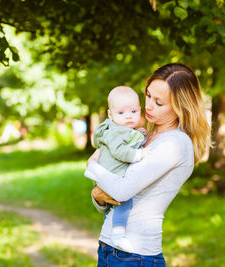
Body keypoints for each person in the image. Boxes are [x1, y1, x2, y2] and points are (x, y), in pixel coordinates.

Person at [85, 63, 211, 266]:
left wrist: (92, 167)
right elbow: (110, 197)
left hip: (135, 256)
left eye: (159, 102)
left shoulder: (175, 144)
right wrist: (97, 197)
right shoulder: (141, 137)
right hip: (108, 248)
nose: (149, 106)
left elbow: (122, 190)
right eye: (148, 95)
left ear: (180, 107)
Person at [85, 86, 150, 252]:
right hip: (113, 174)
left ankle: (116, 232)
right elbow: (119, 151)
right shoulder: (115, 132)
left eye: (133, 111)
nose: (128, 116)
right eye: (121, 113)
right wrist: (139, 155)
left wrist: (139, 134)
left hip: (112, 174)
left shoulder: (123, 129)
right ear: (110, 115)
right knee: (124, 202)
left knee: (117, 205)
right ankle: (119, 235)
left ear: (139, 110)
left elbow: (131, 139)